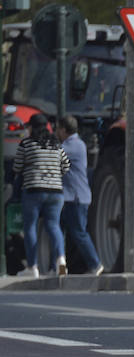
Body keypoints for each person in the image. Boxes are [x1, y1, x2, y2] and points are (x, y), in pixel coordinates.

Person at [14, 113, 70, 278]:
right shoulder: (56, 145)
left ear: (32, 127)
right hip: (56, 193)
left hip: (33, 191)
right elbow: (66, 167)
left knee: (30, 227)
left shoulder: (26, 144)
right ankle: (61, 265)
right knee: (54, 226)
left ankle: (33, 268)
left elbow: (17, 168)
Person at [56, 115, 104, 276]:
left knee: (78, 232)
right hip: (72, 197)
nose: (57, 132)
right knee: (58, 230)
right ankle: (59, 267)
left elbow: (54, 156)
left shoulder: (73, 145)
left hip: (75, 197)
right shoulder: (77, 144)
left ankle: (95, 264)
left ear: (63, 129)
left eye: (58, 129)